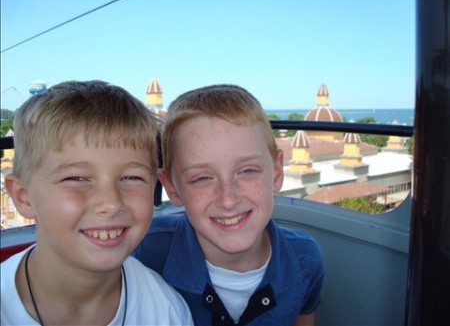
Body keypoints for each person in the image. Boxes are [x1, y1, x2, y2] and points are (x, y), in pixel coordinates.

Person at [1, 80, 193, 325]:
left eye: (131, 177)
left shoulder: (167, 311)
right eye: (76, 178)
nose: (111, 203)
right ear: (22, 196)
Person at [133, 84, 325, 326]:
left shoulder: (306, 258)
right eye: (202, 178)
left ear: (276, 173)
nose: (228, 199)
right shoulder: (143, 252)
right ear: (172, 189)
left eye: (247, 171)